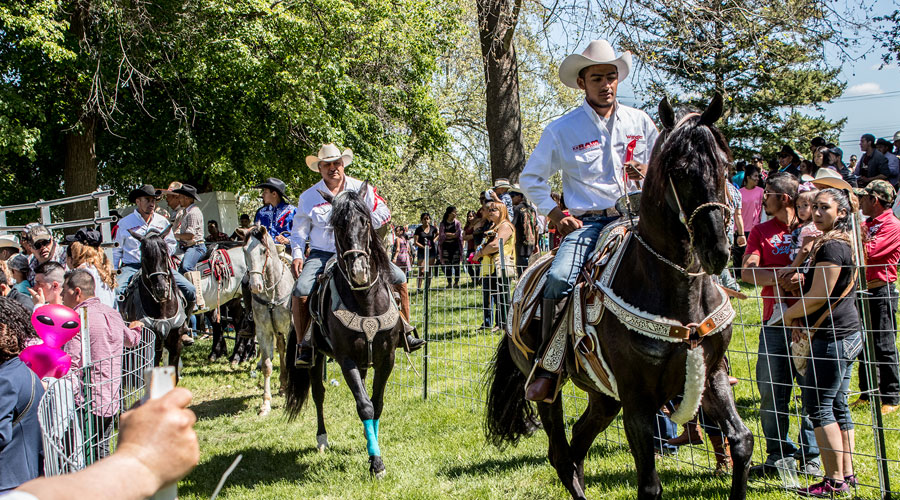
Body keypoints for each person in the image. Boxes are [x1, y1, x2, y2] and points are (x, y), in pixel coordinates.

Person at [519, 39, 658, 402]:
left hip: (641, 217)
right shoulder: (562, 130)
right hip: (591, 224)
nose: (606, 84)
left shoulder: (640, 122)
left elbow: (666, 165)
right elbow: (530, 178)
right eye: (597, 78)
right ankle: (549, 365)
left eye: (611, 77)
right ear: (582, 83)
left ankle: (711, 363)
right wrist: (555, 214)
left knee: (688, 270)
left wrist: (648, 170)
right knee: (559, 279)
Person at [290, 143, 424, 366]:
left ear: (343, 165)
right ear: (320, 168)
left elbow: (384, 211)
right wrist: (297, 255)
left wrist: (361, 220)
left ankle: (405, 332)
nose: (333, 168)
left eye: (337, 163)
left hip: (361, 250)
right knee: (301, 289)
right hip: (323, 253)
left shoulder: (361, 188)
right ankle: (305, 345)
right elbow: (298, 232)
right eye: (327, 165)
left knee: (399, 278)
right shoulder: (308, 197)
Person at [781, 188, 861, 497]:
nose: (816, 213)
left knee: (820, 407)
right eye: (814, 207)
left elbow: (820, 295)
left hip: (832, 336)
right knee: (839, 406)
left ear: (841, 213)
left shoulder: (831, 247)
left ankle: (834, 480)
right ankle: (847, 475)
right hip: (847, 332)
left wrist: (789, 315)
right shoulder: (840, 243)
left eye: (823, 208)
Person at [741, 172, 820, 478]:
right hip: (773, 321)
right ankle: (778, 453)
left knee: (811, 389)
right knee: (772, 389)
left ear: (783, 198)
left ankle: (812, 454)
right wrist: (783, 277)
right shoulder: (760, 231)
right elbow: (748, 273)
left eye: (768, 193)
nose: (763, 198)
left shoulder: (811, 227)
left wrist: (801, 278)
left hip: (811, 321)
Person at [10, 388, 198, 500]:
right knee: (100, 443)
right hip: (109, 400)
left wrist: (139, 460)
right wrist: (139, 463)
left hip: (93, 400)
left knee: (99, 442)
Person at [61, 270, 142, 457]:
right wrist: (136, 328)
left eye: (64, 291)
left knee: (85, 450)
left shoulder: (77, 320)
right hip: (111, 396)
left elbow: (72, 363)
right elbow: (131, 340)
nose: (62, 297)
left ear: (77, 292)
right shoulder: (112, 313)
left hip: (86, 398)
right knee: (102, 446)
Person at [852, 180, 900, 415]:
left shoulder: (892, 225)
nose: (861, 202)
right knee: (864, 343)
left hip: (881, 290)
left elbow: (868, 253)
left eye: (864, 198)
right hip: (863, 290)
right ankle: (867, 391)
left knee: (884, 343)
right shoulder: (866, 224)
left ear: (875, 200)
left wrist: (853, 239)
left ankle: (891, 396)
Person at [112, 185, 196, 310]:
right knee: (116, 292)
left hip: (159, 267)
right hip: (133, 267)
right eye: (147, 200)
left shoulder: (162, 222)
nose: (151, 203)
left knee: (190, 290)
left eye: (153, 200)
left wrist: (160, 252)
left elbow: (172, 243)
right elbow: (116, 250)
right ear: (138, 201)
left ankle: (185, 322)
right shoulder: (124, 223)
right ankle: (118, 325)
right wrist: (113, 272)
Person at [0, 296, 44, 492]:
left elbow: (2, 434)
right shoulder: (22, 370)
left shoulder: (5, 380)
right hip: (26, 474)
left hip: (8, 480)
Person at [474, 202, 516, 332]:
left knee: (501, 296)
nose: (490, 212)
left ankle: (502, 324)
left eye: (494, 210)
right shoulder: (493, 226)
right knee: (487, 296)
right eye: (489, 210)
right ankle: (487, 323)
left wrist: (479, 253)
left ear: (502, 211)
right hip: (488, 266)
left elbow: (496, 245)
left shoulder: (505, 226)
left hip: (500, 266)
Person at [170, 184, 206, 310]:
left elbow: (190, 235)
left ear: (188, 198)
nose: (179, 199)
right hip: (187, 247)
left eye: (181, 197)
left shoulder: (193, 213)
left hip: (196, 247)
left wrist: (175, 236)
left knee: (186, 266)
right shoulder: (187, 211)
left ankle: (196, 298)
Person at [64, 229, 116, 309]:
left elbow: (75, 302)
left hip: (91, 317)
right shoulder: (104, 270)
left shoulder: (82, 272)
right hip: (108, 316)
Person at [253, 177, 295, 248]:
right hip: (264, 253)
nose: (262, 195)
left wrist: (287, 240)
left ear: (274, 194)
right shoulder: (261, 213)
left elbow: (302, 235)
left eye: (265, 192)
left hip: (287, 252)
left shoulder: (292, 212)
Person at [736, 164, 764, 268]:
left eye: (758, 176)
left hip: (755, 226)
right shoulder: (739, 192)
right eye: (755, 176)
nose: (758, 179)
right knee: (740, 252)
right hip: (742, 227)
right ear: (748, 177)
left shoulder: (761, 191)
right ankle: (739, 272)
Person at [510, 185, 538, 274]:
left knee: (521, 271)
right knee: (530, 269)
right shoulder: (532, 209)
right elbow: (536, 227)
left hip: (520, 244)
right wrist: (536, 243)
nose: (511, 198)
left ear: (520, 196)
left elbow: (512, 226)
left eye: (512, 196)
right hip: (531, 243)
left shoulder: (517, 209)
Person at [437, 206, 463, 287]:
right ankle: (449, 282)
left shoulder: (457, 223)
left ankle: (456, 282)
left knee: (456, 265)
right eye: (454, 212)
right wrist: (451, 235)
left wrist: (448, 234)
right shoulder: (443, 224)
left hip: (455, 246)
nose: (456, 214)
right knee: (447, 265)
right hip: (445, 247)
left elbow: (457, 234)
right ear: (449, 213)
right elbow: (441, 235)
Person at [413, 213, 438, 290]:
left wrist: (433, 240)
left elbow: (438, 234)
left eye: (427, 219)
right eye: (424, 219)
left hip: (431, 251)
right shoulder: (418, 230)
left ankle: (427, 287)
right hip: (421, 251)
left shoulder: (433, 228)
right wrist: (424, 247)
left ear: (429, 219)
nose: (426, 220)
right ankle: (418, 287)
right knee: (422, 270)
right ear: (421, 220)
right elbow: (415, 242)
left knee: (430, 269)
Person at [462, 210, 479, 282]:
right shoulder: (466, 227)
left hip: (476, 247)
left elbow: (475, 235)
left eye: (471, 216)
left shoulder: (477, 225)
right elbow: (464, 237)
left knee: (477, 264)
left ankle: (477, 280)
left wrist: (471, 236)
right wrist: (471, 236)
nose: (469, 218)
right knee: (467, 264)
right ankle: (473, 279)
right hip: (469, 248)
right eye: (468, 216)